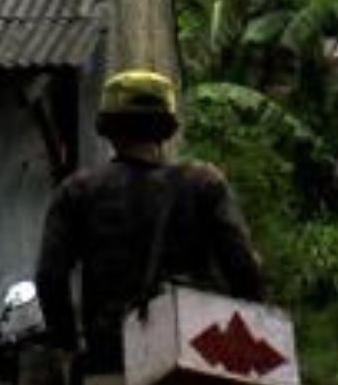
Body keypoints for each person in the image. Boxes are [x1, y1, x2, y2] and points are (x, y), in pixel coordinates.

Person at [34, 69, 266, 385]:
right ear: (167, 128)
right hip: (194, 361)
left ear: (109, 129)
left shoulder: (77, 191)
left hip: (110, 363)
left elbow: (50, 277)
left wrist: (68, 345)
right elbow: (246, 272)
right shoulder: (204, 184)